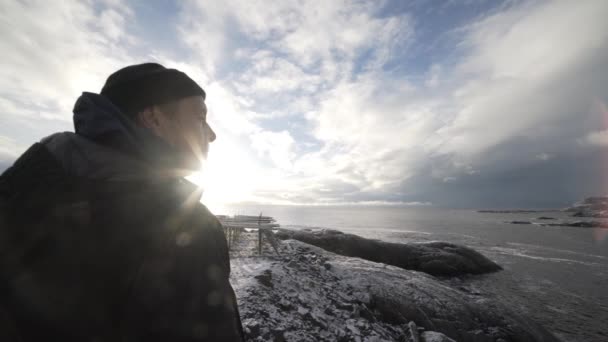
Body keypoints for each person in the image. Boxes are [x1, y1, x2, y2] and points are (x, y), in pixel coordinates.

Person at [0, 63, 244, 341]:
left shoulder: (25, 186)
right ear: (153, 118)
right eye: (200, 117)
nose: (211, 133)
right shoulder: (187, 223)